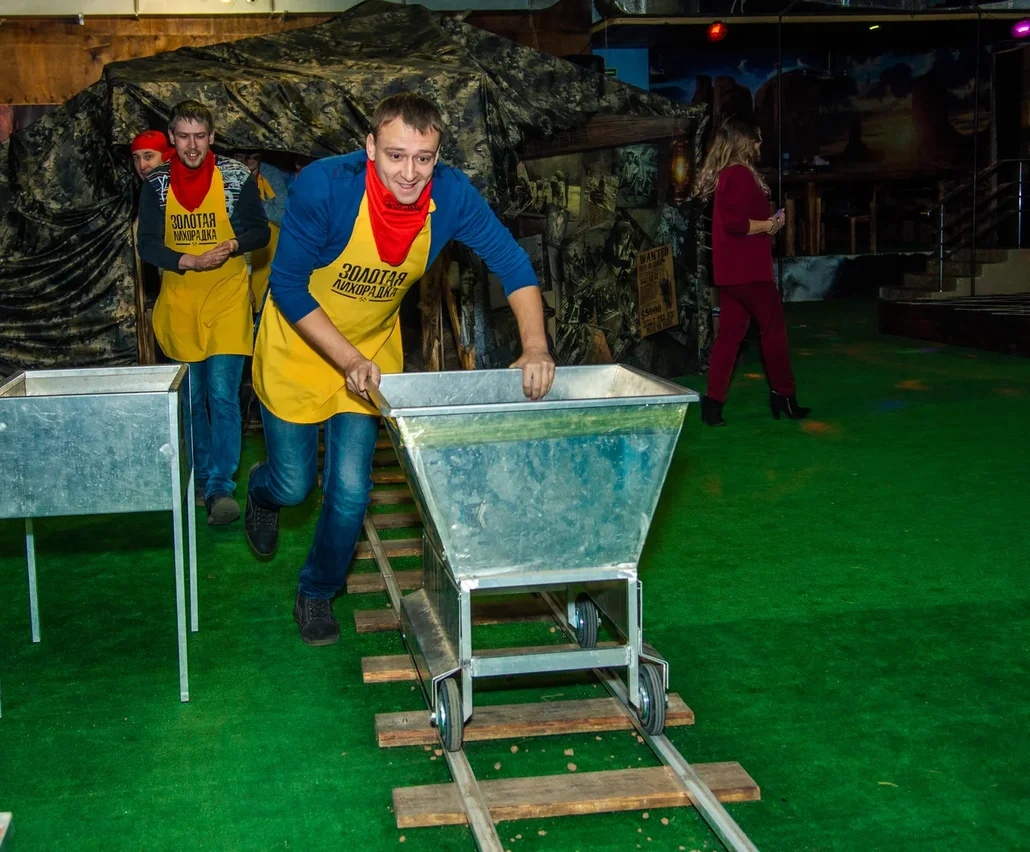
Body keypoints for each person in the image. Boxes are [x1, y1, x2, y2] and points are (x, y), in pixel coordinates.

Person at [246, 92, 555, 646]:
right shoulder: (326, 187)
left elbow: (511, 262)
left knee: (350, 492)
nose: (410, 173)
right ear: (370, 147)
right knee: (294, 485)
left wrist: (535, 346)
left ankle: (317, 591)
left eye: (424, 158)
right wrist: (345, 358)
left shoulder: (452, 195)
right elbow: (286, 286)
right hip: (298, 347)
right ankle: (262, 492)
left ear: (438, 155)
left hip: (371, 354)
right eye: (395, 156)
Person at [137, 100, 270, 523]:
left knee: (222, 394)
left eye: (199, 136)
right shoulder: (156, 184)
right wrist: (188, 260)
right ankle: (198, 477)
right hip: (180, 302)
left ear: (211, 137)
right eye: (183, 137)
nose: (192, 145)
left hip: (227, 299)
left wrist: (232, 245)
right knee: (193, 399)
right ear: (172, 139)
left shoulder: (235, 177)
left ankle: (220, 486)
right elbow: (147, 244)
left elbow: (259, 232)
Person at [692, 117, 810, 427]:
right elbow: (735, 224)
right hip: (750, 273)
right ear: (745, 142)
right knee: (773, 330)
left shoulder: (728, 175)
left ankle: (713, 404)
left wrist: (768, 224)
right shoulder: (739, 174)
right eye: (756, 139)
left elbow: (732, 222)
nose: (760, 144)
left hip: (732, 273)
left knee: (730, 336)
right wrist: (769, 225)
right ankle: (784, 394)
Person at [237, 151, 292, 316]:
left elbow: (282, 215)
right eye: (244, 157)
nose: (250, 162)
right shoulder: (225, 172)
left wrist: (253, 199)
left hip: (265, 246)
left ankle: (259, 308)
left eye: (255, 157)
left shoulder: (271, 174)